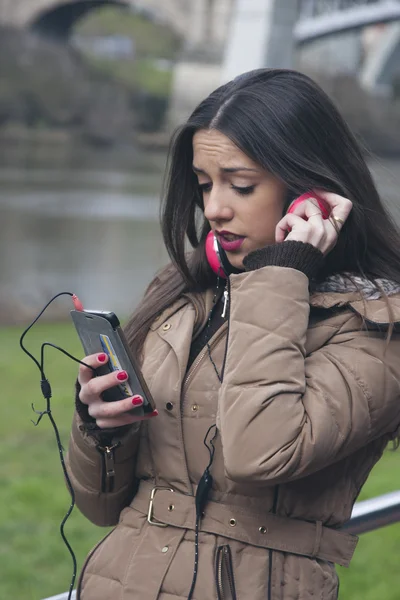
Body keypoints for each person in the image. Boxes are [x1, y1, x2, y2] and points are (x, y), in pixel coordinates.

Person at [66, 69, 400, 600]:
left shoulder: (377, 325)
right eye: (204, 184)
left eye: (241, 185)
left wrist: (282, 273)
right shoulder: (182, 294)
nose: (215, 208)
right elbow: (100, 506)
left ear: (307, 189)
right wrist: (103, 428)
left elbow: (261, 451)